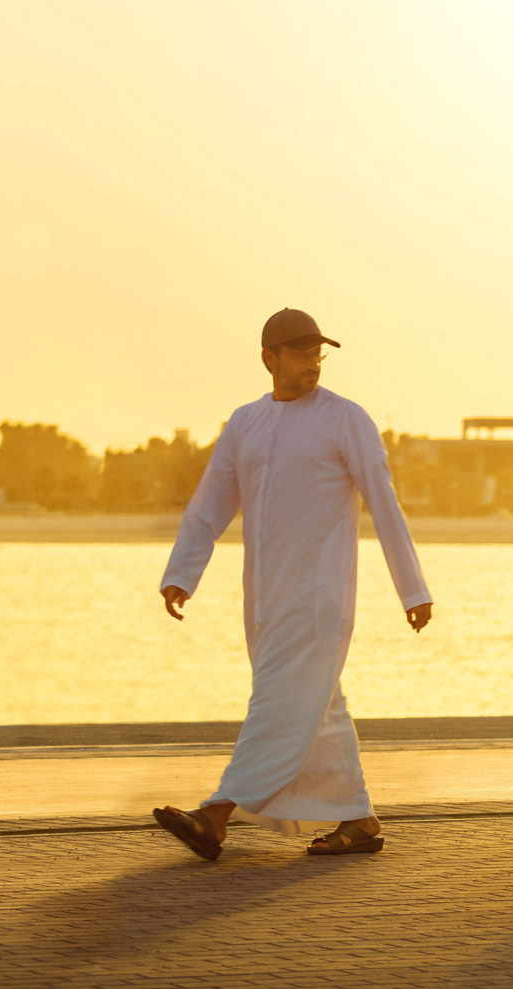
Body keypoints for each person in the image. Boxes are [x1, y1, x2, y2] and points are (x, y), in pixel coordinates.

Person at [151, 308, 433, 859]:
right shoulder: (245, 423)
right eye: (302, 353)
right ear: (269, 359)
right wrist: (182, 574)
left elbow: (384, 502)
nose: (314, 364)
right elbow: (210, 505)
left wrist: (412, 590)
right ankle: (359, 820)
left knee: (278, 703)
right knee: (316, 706)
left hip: (319, 596)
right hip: (265, 599)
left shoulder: (346, 419)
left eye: (318, 354)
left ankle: (217, 813)